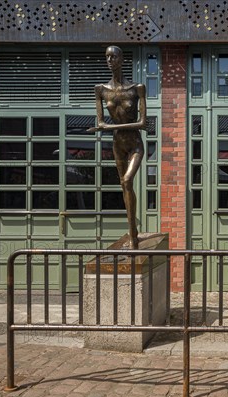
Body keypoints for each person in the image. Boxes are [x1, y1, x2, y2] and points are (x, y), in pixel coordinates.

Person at [88, 46, 146, 249]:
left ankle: (133, 233)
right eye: (107, 57)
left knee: (128, 180)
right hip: (117, 144)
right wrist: (105, 126)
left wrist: (108, 126)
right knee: (124, 186)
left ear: (122, 59)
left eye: (113, 56)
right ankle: (134, 231)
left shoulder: (137, 88)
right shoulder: (101, 90)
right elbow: (100, 121)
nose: (110, 60)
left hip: (135, 144)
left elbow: (142, 123)